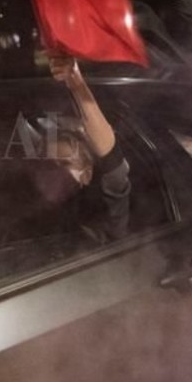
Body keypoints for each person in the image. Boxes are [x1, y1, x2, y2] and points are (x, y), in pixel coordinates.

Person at [43, 52, 132, 245]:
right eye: (54, 164)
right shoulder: (44, 213)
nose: (58, 171)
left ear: (88, 172)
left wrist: (76, 82)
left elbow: (110, 158)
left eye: (66, 163)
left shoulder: (105, 213)